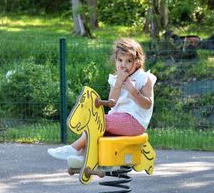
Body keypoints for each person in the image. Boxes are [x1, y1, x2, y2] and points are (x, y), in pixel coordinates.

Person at [48, 37, 157, 168]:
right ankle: (84, 156)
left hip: (135, 122)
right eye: (120, 60)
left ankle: (73, 148)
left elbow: (147, 104)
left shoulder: (144, 78)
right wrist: (118, 84)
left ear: (138, 62)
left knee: (98, 121)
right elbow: (112, 103)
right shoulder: (115, 79)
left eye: (129, 61)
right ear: (115, 61)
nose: (123, 65)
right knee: (94, 126)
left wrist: (133, 91)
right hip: (118, 119)